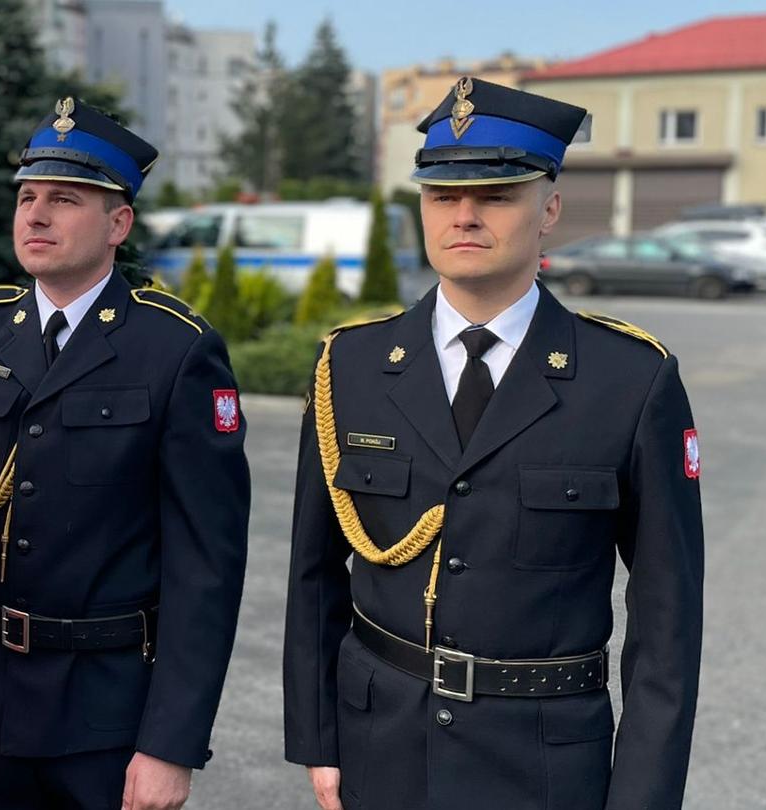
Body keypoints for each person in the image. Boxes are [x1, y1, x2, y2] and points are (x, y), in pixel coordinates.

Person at [282, 77, 704, 810]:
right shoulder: (349, 366)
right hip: (381, 749)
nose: (465, 216)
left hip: (541, 764)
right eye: (444, 197)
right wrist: (320, 742)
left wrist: (641, 795)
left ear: (550, 209)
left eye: (497, 195)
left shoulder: (629, 379)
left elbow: (668, 616)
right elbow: (313, 574)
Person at [0, 97, 251, 810]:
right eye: (28, 197)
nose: (36, 215)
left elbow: (207, 566)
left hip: (105, 710)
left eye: (64, 200)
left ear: (118, 224)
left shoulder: (175, 350)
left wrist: (170, 745)